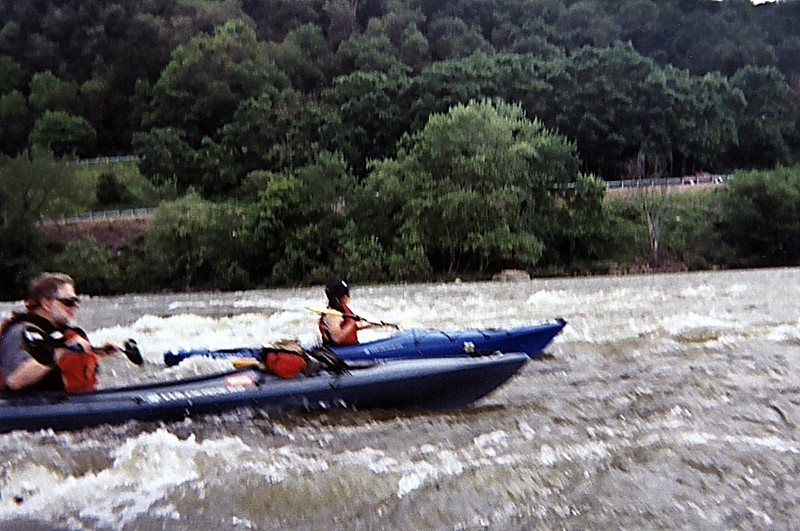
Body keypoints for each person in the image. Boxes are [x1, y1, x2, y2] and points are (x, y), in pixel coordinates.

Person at [0, 272, 118, 393]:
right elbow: (15, 381)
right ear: (47, 303)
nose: (76, 306)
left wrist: (98, 350)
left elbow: (55, 346)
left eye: (77, 301)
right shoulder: (19, 333)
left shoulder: (59, 333)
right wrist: (64, 350)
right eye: (69, 302)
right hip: (29, 408)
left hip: (65, 403)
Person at [318, 279, 388, 346]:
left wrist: (376, 325)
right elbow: (336, 338)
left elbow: (352, 326)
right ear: (337, 299)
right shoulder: (332, 315)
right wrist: (352, 322)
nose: (349, 296)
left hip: (348, 347)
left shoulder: (341, 310)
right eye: (346, 294)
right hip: (339, 352)